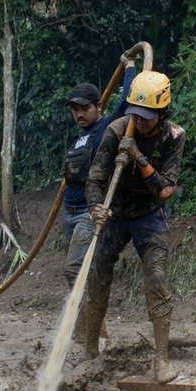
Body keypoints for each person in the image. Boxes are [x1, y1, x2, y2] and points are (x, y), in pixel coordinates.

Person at [85, 70, 185, 384]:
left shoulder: (174, 136)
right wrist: (95, 208)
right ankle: (89, 349)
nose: (140, 122)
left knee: (156, 278)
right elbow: (95, 179)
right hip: (115, 211)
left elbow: (166, 190)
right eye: (136, 115)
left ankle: (162, 359)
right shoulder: (116, 130)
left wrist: (138, 156)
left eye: (147, 117)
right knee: (98, 271)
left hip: (148, 213)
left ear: (162, 112)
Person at [63, 52, 136, 339]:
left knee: (74, 269)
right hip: (68, 213)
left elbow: (129, 101)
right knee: (77, 274)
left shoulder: (107, 128)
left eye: (84, 108)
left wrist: (129, 66)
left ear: (98, 106)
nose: (79, 114)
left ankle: (88, 330)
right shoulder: (79, 136)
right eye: (75, 110)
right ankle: (95, 327)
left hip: (88, 211)